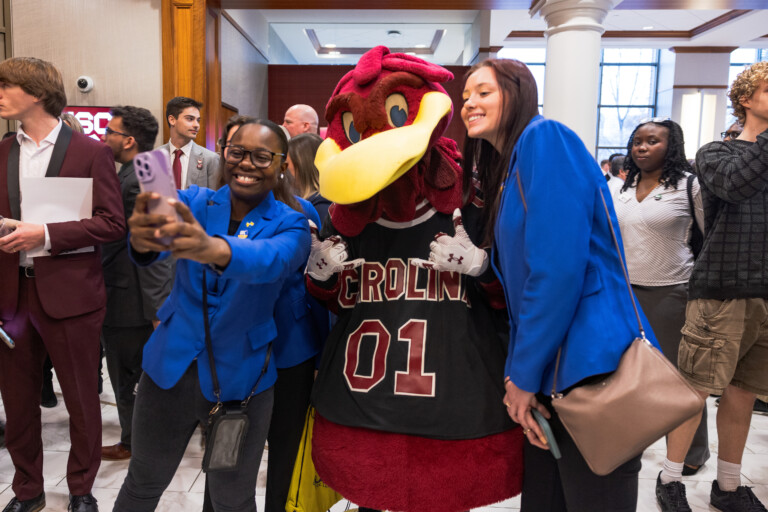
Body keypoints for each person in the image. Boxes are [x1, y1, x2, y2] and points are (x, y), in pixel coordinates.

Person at [462, 58, 655, 512]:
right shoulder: (513, 162)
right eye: (466, 94)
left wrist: (523, 376)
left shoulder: (545, 139)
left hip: (592, 362)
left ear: (518, 93)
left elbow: (557, 271)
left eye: (484, 92)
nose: (470, 102)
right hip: (558, 366)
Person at [113, 119, 310, 512]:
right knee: (143, 482)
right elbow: (154, 244)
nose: (246, 164)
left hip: (243, 380)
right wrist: (142, 236)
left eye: (261, 156)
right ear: (224, 153)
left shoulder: (292, 221)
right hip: (170, 368)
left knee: (232, 499)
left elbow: (271, 261)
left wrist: (213, 249)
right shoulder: (196, 201)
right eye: (237, 152)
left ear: (282, 163)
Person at [0, 57, 125, 512]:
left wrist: (47, 235)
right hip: (12, 298)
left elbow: (113, 224)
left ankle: (81, 488)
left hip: (72, 296)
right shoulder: (1, 151)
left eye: (5, 85)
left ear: (34, 92)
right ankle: (27, 491)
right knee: (18, 406)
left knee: (81, 403)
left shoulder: (91, 153)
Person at [655, 61, 768, 512]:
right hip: (722, 289)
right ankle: (669, 479)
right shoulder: (716, 153)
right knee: (695, 389)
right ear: (745, 98)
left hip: (766, 291)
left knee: (744, 392)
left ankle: (727, 485)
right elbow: (738, 186)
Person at [613, 118, 709, 477]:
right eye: (637, 141)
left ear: (671, 147)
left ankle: (692, 451)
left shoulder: (690, 187)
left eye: (652, 141)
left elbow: (706, 237)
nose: (641, 147)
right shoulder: (621, 186)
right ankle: (630, 440)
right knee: (629, 375)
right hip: (625, 294)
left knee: (679, 378)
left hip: (672, 293)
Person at [99, 106, 173, 462]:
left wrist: (159, 309)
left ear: (128, 140)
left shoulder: (142, 175)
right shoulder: (149, 169)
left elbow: (160, 246)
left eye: (110, 132)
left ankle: (133, 442)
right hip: (134, 296)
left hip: (131, 301)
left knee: (127, 377)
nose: (104, 138)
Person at [158, 96, 218, 190]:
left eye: (198, 120)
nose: (196, 125)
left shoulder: (210, 159)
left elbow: (214, 200)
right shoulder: (155, 155)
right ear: (172, 120)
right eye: (190, 119)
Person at [286, 133, 330, 220]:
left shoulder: (321, 206)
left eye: (286, 164)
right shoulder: (303, 200)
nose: (283, 169)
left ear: (302, 166)